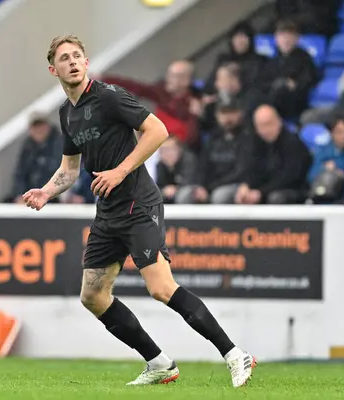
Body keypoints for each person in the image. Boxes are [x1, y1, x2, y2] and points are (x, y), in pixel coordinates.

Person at [22, 35, 255, 388]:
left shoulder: (109, 96)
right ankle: (160, 364)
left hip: (138, 202)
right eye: (64, 58)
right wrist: (47, 191)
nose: (72, 61)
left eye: (77, 56)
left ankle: (236, 354)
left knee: (161, 289)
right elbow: (70, 170)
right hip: (108, 211)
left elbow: (157, 130)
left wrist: (120, 170)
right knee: (93, 296)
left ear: (85, 63)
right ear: (53, 69)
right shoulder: (66, 113)